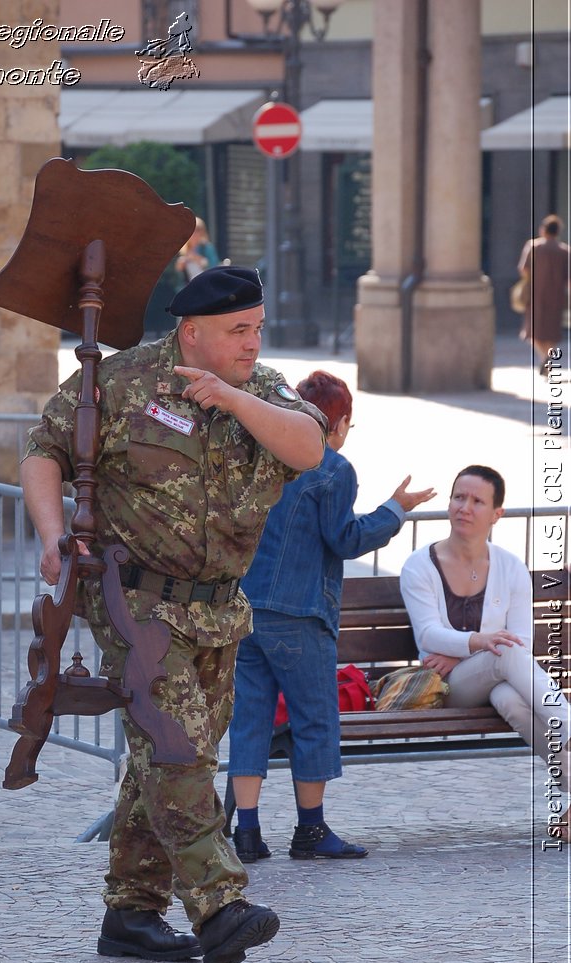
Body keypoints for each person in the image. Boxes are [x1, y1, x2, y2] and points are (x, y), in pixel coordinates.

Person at [20, 265, 326, 963]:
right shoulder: (122, 382)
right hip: (137, 603)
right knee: (176, 749)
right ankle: (220, 907)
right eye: (236, 331)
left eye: (256, 328)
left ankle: (131, 913)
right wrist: (48, 534)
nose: (252, 342)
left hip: (220, 611)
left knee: (164, 761)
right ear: (191, 332)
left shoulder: (262, 389)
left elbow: (309, 448)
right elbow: (45, 448)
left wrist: (233, 398)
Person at [227, 371, 435, 863]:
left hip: (247, 610)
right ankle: (311, 831)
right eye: (348, 423)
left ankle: (248, 834)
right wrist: (394, 509)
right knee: (315, 720)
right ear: (336, 422)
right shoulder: (332, 466)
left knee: (250, 721)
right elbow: (344, 539)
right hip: (300, 613)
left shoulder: (264, 455)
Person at [400, 464, 570, 837]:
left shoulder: (511, 567)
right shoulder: (419, 566)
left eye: (477, 501)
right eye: (459, 497)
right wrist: (478, 643)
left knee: (511, 700)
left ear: (497, 514)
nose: (465, 507)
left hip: (495, 680)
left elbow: (521, 640)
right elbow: (429, 635)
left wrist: (462, 647)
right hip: (447, 688)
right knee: (502, 653)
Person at [517, 214, 570, 374]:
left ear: (543, 229)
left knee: (533, 331)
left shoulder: (533, 247)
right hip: (556, 296)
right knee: (552, 332)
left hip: (536, 295)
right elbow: (568, 278)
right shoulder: (564, 251)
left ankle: (545, 358)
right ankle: (548, 359)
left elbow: (523, 269)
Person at [175, 217, 220, 286]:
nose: (195, 233)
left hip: (206, 285)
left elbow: (214, 267)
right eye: (192, 230)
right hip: (189, 288)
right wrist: (180, 266)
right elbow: (179, 278)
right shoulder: (183, 250)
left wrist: (197, 259)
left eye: (198, 230)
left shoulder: (207, 248)